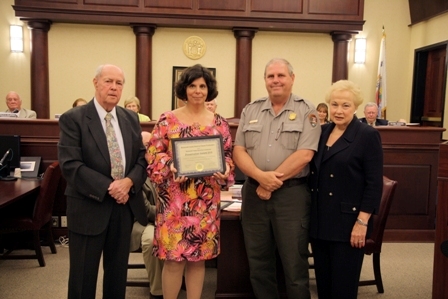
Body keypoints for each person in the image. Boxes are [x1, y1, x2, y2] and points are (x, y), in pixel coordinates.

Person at [232, 58, 321, 299]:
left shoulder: (308, 111)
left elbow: (305, 154)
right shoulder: (250, 109)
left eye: (281, 75)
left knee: (294, 264)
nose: (276, 80)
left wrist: (271, 183)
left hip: (291, 197)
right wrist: (261, 178)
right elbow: (238, 150)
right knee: (258, 263)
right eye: (271, 76)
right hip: (254, 195)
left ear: (292, 78)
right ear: (265, 80)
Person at [58, 64, 148, 299]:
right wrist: (112, 187)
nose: (114, 87)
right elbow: (71, 165)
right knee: (82, 278)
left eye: (119, 83)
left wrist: (128, 182)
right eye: (108, 81)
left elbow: (141, 159)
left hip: (123, 207)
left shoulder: (130, 118)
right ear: (95, 83)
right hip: (89, 206)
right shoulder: (74, 119)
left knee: (117, 277)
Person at [146, 64, 234, 299]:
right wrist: (170, 165)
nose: (197, 91)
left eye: (202, 86)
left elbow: (227, 156)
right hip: (174, 202)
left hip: (205, 203)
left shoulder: (219, 122)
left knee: (198, 260)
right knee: (174, 260)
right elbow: (153, 153)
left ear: (209, 90)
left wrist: (225, 169)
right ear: (183, 89)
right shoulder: (167, 119)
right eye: (192, 85)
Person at [309, 80, 383, 299]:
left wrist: (362, 223)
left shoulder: (367, 135)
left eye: (345, 105)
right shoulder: (322, 132)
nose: (338, 111)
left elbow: (374, 184)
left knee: (342, 288)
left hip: (348, 224)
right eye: (334, 104)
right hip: (320, 221)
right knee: (324, 285)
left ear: (355, 107)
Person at [130, 131, 164, 299]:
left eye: (152, 145)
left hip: (168, 218)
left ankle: (181, 280)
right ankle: (157, 291)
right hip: (143, 222)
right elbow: (143, 209)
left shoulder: (165, 166)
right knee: (152, 240)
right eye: (145, 146)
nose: (149, 149)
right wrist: (169, 214)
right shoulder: (134, 172)